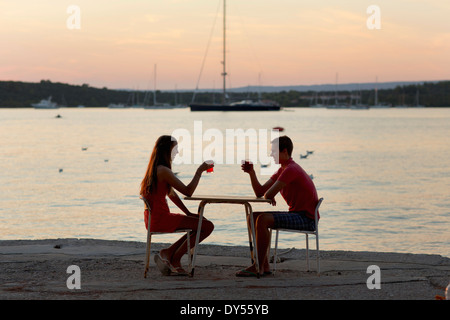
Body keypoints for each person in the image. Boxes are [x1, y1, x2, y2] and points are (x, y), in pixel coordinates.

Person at [237, 135, 319, 277]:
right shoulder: (282, 170)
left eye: (274, 152)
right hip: (296, 214)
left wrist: (271, 194)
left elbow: (267, 195)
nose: (271, 155)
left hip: (306, 218)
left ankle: (258, 266)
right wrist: (252, 173)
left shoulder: (291, 169)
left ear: (285, 152)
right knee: (253, 217)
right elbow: (260, 192)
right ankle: (264, 265)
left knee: (262, 219)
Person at [140, 135, 214, 276]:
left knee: (201, 224)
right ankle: (175, 258)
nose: (177, 152)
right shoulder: (164, 171)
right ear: (167, 150)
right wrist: (199, 171)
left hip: (152, 219)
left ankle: (168, 252)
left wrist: (188, 213)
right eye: (175, 149)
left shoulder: (154, 170)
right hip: (161, 219)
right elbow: (188, 191)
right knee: (207, 226)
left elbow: (171, 194)